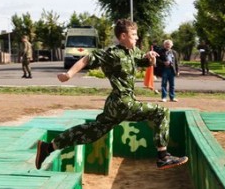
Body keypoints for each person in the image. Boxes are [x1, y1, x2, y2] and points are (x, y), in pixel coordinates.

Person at [35, 19, 189, 170]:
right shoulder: (112, 53)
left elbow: (146, 62)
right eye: (134, 34)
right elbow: (87, 59)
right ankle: (163, 156)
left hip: (115, 104)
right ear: (123, 36)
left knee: (92, 132)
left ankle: (48, 147)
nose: (137, 37)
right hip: (122, 102)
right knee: (161, 111)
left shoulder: (133, 51)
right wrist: (68, 74)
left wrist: (151, 58)